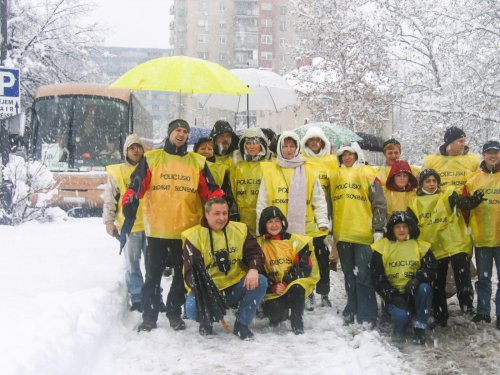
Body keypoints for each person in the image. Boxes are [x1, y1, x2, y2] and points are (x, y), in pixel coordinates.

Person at [121, 119, 225, 332]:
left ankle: (174, 313)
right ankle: (149, 317)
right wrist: (130, 199)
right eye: (178, 130)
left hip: (186, 230)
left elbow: (210, 191)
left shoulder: (197, 162)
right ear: (169, 133)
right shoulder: (152, 158)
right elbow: (137, 185)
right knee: (152, 276)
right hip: (158, 229)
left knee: (181, 277)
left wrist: (220, 204)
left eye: (185, 131)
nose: (181, 134)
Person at [256, 131, 329, 308]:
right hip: (276, 228)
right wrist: (261, 226)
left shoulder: (309, 169)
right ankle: (283, 294)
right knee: (283, 263)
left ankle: (306, 292)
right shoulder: (270, 169)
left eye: (292, 146)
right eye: (285, 146)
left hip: (305, 226)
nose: (289, 150)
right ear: (280, 148)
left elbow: (319, 198)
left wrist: (322, 221)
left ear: (297, 148)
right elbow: (262, 201)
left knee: (305, 262)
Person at [407, 169, 485, 327]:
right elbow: (412, 226)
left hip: (455, 243)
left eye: (434, 181)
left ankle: (467, 307)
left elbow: (464, 203)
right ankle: (440, 314)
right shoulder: (414, 203)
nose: (431, 184)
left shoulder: (447, 195)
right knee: (438, 282)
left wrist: (473, 201)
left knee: (463, 278)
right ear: (421, 184)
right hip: (433, 247)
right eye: (427, 181)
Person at [182, 198, 267, 339]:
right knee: (191, 308)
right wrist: (207, 291)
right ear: (207, 214)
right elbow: (190, 272)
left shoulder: (240, 229)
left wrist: (254, 268)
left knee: (261, 281)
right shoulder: (193, 236)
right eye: (217, 214)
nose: (222, 218)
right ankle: (206, 320)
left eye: (225, 213)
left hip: (235, 285)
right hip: (209, 290)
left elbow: (255, 253)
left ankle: (242, 324)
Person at [329, 143, 386, 325]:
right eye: (344, 154)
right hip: (343, 232)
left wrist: (378, 227)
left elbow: (379, 202)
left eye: (350, 154)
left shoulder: (368, 173)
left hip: (363, 233)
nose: (347, 157)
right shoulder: (334, 175)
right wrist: (329, 227)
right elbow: (330, 203)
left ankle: (367, 312)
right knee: (348, 273)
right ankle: (351, 306)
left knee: (363, 274)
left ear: (357, 155)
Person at [371, 211, 437, 344]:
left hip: (415, 292)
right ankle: (399, 326)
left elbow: (432, 269)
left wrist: (417, 279)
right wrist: (392, 295)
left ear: (410, 228)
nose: (401, 230)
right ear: (392, 229)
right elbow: (377, 277)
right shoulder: (381, 247)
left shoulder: (420, 246)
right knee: (402, 317)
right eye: (397, 227)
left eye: (405, 226)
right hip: (394, 296)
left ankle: (420, 327)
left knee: (425, 288)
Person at [102, 134, 148, 311]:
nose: (135, 150)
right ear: (126, 151)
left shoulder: (150, 168)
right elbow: (110, 199)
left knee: (153, 266)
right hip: (130, 225)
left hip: (152, 225)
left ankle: (154, 296)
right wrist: (109, 221)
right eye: (131, 147)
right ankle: (137, 297)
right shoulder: (117, 172)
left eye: (138, 147)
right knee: (132, 264)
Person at [257, 206, 319, 334]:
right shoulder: (259, 245)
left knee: (298, 287)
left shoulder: (296, 241)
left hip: (291, 286)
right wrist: (272, 287)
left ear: (282, 222)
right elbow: (258, 271)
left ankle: (297, 319)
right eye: (270, 222)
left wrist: (286, 282)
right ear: (264, 224)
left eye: (277, 221)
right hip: (273, 290)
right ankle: (280, 313)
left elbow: (304, 267)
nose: (274, 225)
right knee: (274, 316)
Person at [300, 126, 339, 308]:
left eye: (318, 140)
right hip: (306, 216)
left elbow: (334, 189)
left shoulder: (331, 161)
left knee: (322, 257)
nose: (315, 143)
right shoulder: (300, 160)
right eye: (311, 140)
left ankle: (324, 292)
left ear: (323, 142)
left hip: (323, 215)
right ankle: (308, 291)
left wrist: (330, 218)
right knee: (307, 258)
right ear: (306, 142)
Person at [464, 140, 500, 329]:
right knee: (484, 278)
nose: (493, 156)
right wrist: (468, 204)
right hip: (483, 237)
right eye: (489, 153)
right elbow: (465, 208)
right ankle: (483, 311)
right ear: (484, 155)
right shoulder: (474, 179)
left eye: (496, 153)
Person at [230, 128, 269, 235]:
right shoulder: (237, 165)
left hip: (262, 212)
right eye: (248, 143)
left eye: (255, 143)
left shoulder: (269, 165)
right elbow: (233, 188)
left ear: (261, 144)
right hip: (242, 214)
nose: (251, 146)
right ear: (244, 145)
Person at [423, 126, 480, 193]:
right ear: (450, 142)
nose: (463, 144)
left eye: (464, 141)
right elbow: (422, 185)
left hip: (465, 202)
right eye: (460, 141)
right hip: (439, 202)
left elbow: (480, 183)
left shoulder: (474, 160)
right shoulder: (431, 161)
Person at [194, 137, 238, 221]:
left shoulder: (221, 168)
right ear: (196, 150)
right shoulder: (192, 165)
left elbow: (226, 188)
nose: (206, 151)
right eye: (202, 148)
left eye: (209, 149)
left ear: (213, 152)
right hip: (195, 206)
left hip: (215, 205)